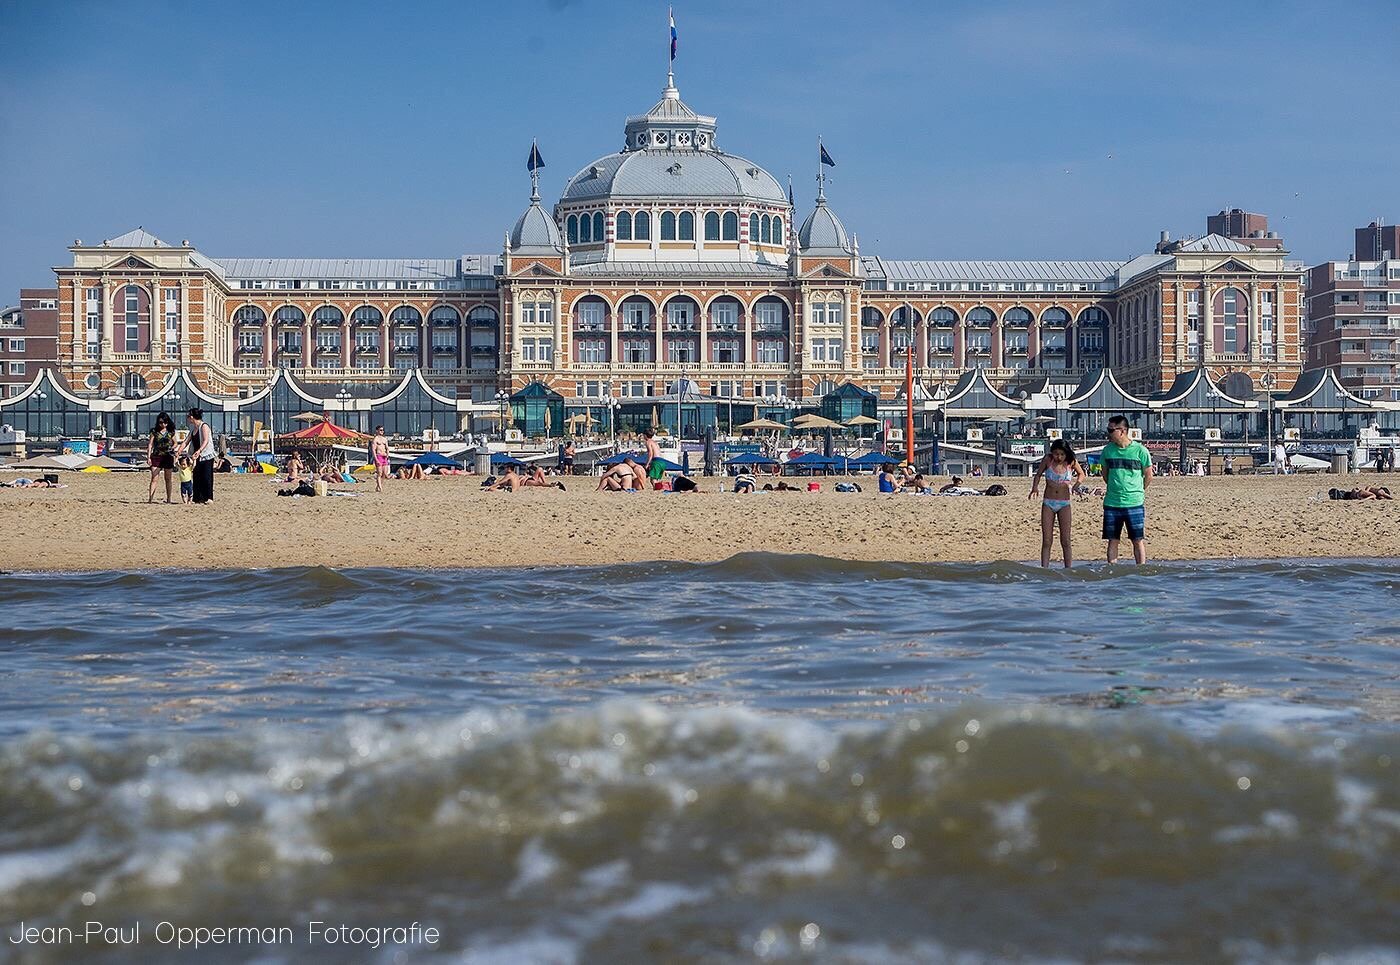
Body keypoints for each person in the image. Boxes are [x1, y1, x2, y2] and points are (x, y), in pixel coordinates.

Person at [1101, 415, 1153, 564]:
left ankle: (1141, 569)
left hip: (1134, 502)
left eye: (1111, 430)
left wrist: (1138, 490)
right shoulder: (1107, 451)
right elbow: (1105, 475)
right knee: (1113, 540)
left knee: (1137, 539)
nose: (1108, 433)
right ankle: (1112, 570)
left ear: (1122, 431)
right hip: (1112, 502)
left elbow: (1148, 475)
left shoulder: (1140, 450)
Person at [1030, 439, 1087, 569]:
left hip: (1064, 503)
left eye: (1061, 454)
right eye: (1056, 454)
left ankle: (1069, 568)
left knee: (1065, 540)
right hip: (1048, 503)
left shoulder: (1070, 461)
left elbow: (1081, 474)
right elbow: (1038, 475)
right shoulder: (1048, 460)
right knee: (1047, 540)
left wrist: (1077, 486)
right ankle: (1044, 568)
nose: (1059, 457)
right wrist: (1035, 488)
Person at [179, 407, 216, 504]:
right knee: (197, 476)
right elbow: (186, 442)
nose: (188, 419)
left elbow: (206, 441)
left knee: (206, 477)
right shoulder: (193, 429)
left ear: (192, 417)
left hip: (206, 455)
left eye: (188, 417)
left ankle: (208, 498)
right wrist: (178, 451)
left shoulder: (204, 426)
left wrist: (199, 451)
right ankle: (198, 498)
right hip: (196, 456)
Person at [146, 411, 177, 504]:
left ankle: (169, 499)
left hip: (168, 456)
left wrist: (172, 447)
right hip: (156, 456)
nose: (163, 424)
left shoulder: (171, 431)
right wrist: (148, 457)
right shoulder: (154, 431)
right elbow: (150, 444)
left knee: (168, 478)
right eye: (160, 422)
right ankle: (150, 499)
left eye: (164, 422)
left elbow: (175, 443)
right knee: (154, 477)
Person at [371, 426, 389, 493]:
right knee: (379, 473)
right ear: (377, 431)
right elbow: (373, 450)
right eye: (380, 430)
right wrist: (376, 459)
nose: (382, 431)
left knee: (385, 473)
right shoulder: (375, 439)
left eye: (383, 430)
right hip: (379, 456)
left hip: (384, 456)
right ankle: (380, 488)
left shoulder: (385, 439)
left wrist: (387, 454)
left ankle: (378, 486)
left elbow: (387, 448)